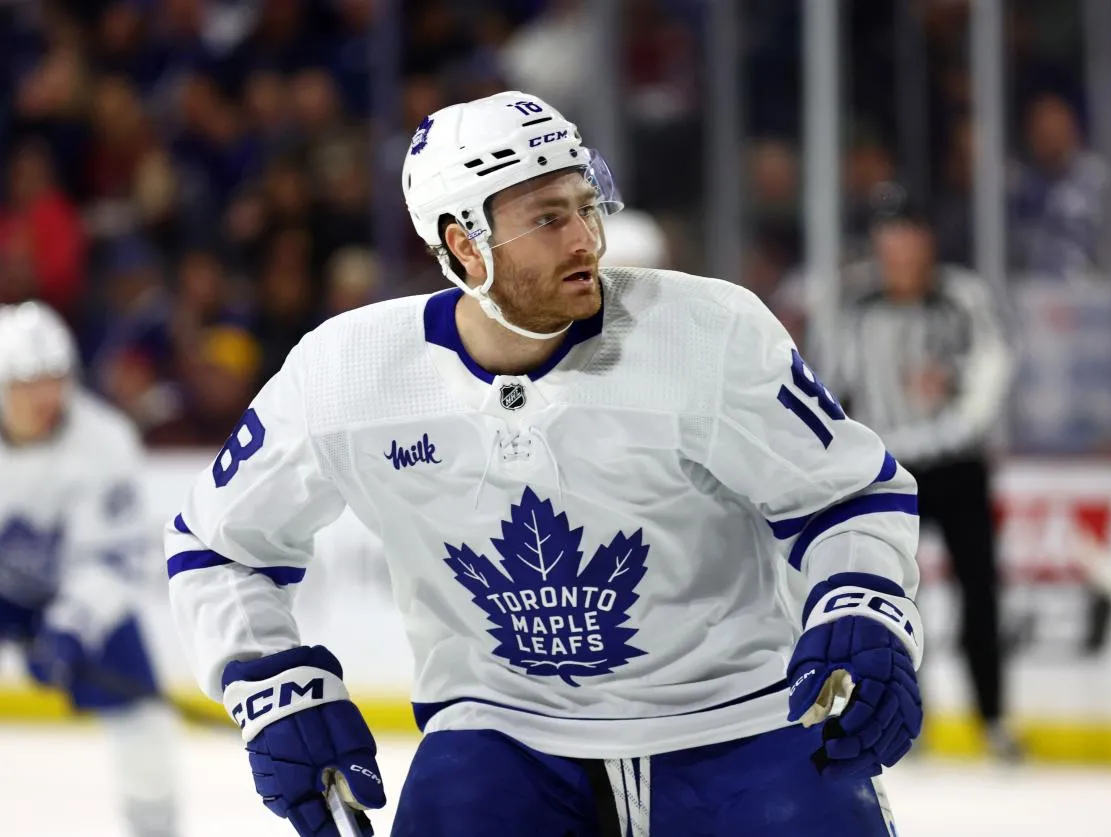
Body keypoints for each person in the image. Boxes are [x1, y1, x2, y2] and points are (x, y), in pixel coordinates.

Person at [166, 91, 923, 837]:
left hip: (744, 718)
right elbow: (218, 544)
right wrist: (268, 679)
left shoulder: (705, 334)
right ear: (463, 244)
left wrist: (861, 596)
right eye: (548, 218)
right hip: (503, 738)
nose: (586, 239)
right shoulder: (348, 373)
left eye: (585, 204)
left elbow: (848, 492)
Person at [816, 196, 1018, 760]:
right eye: (889, 239)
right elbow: (831, 387)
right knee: (894, 595)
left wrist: (949, 424)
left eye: (908, 236)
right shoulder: (855, 309)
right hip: (889, 472)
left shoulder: (961, 299)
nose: (899, 250)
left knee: (980, 591)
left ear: (926, 241)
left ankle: (993, 718)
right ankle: (909, 717)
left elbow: (990, 371)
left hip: (957, 467)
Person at [0, 301, 179, 837]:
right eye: (27, 384)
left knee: (144, 721)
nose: (45, 397)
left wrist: (69, 628)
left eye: (55, 380)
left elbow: (115, 559)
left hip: (79, 596)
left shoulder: (105, 441)